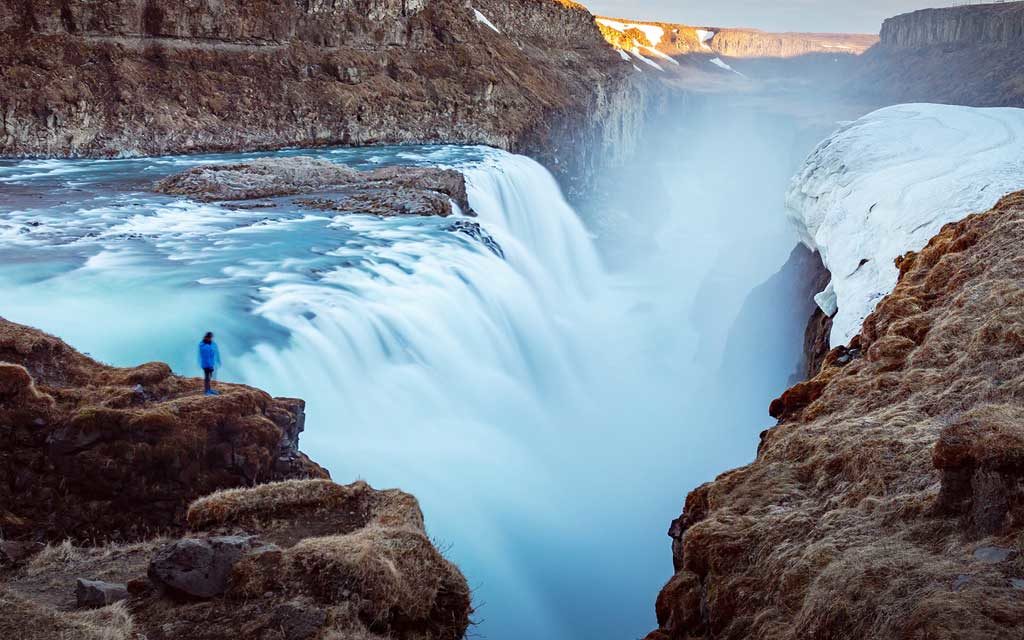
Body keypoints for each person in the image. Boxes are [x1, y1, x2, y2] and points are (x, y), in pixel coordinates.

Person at [198, 332, 222, 396]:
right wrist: (210, 366)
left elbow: (212, 355)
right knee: (207, 377)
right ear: (207, 337)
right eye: (210, 337)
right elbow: (206, 358)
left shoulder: (207, 344)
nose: (211, 339)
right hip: (207, 365)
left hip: (208, 364)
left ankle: (209, 389)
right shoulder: (205, 346)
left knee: (208, 377)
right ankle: (207, 391)